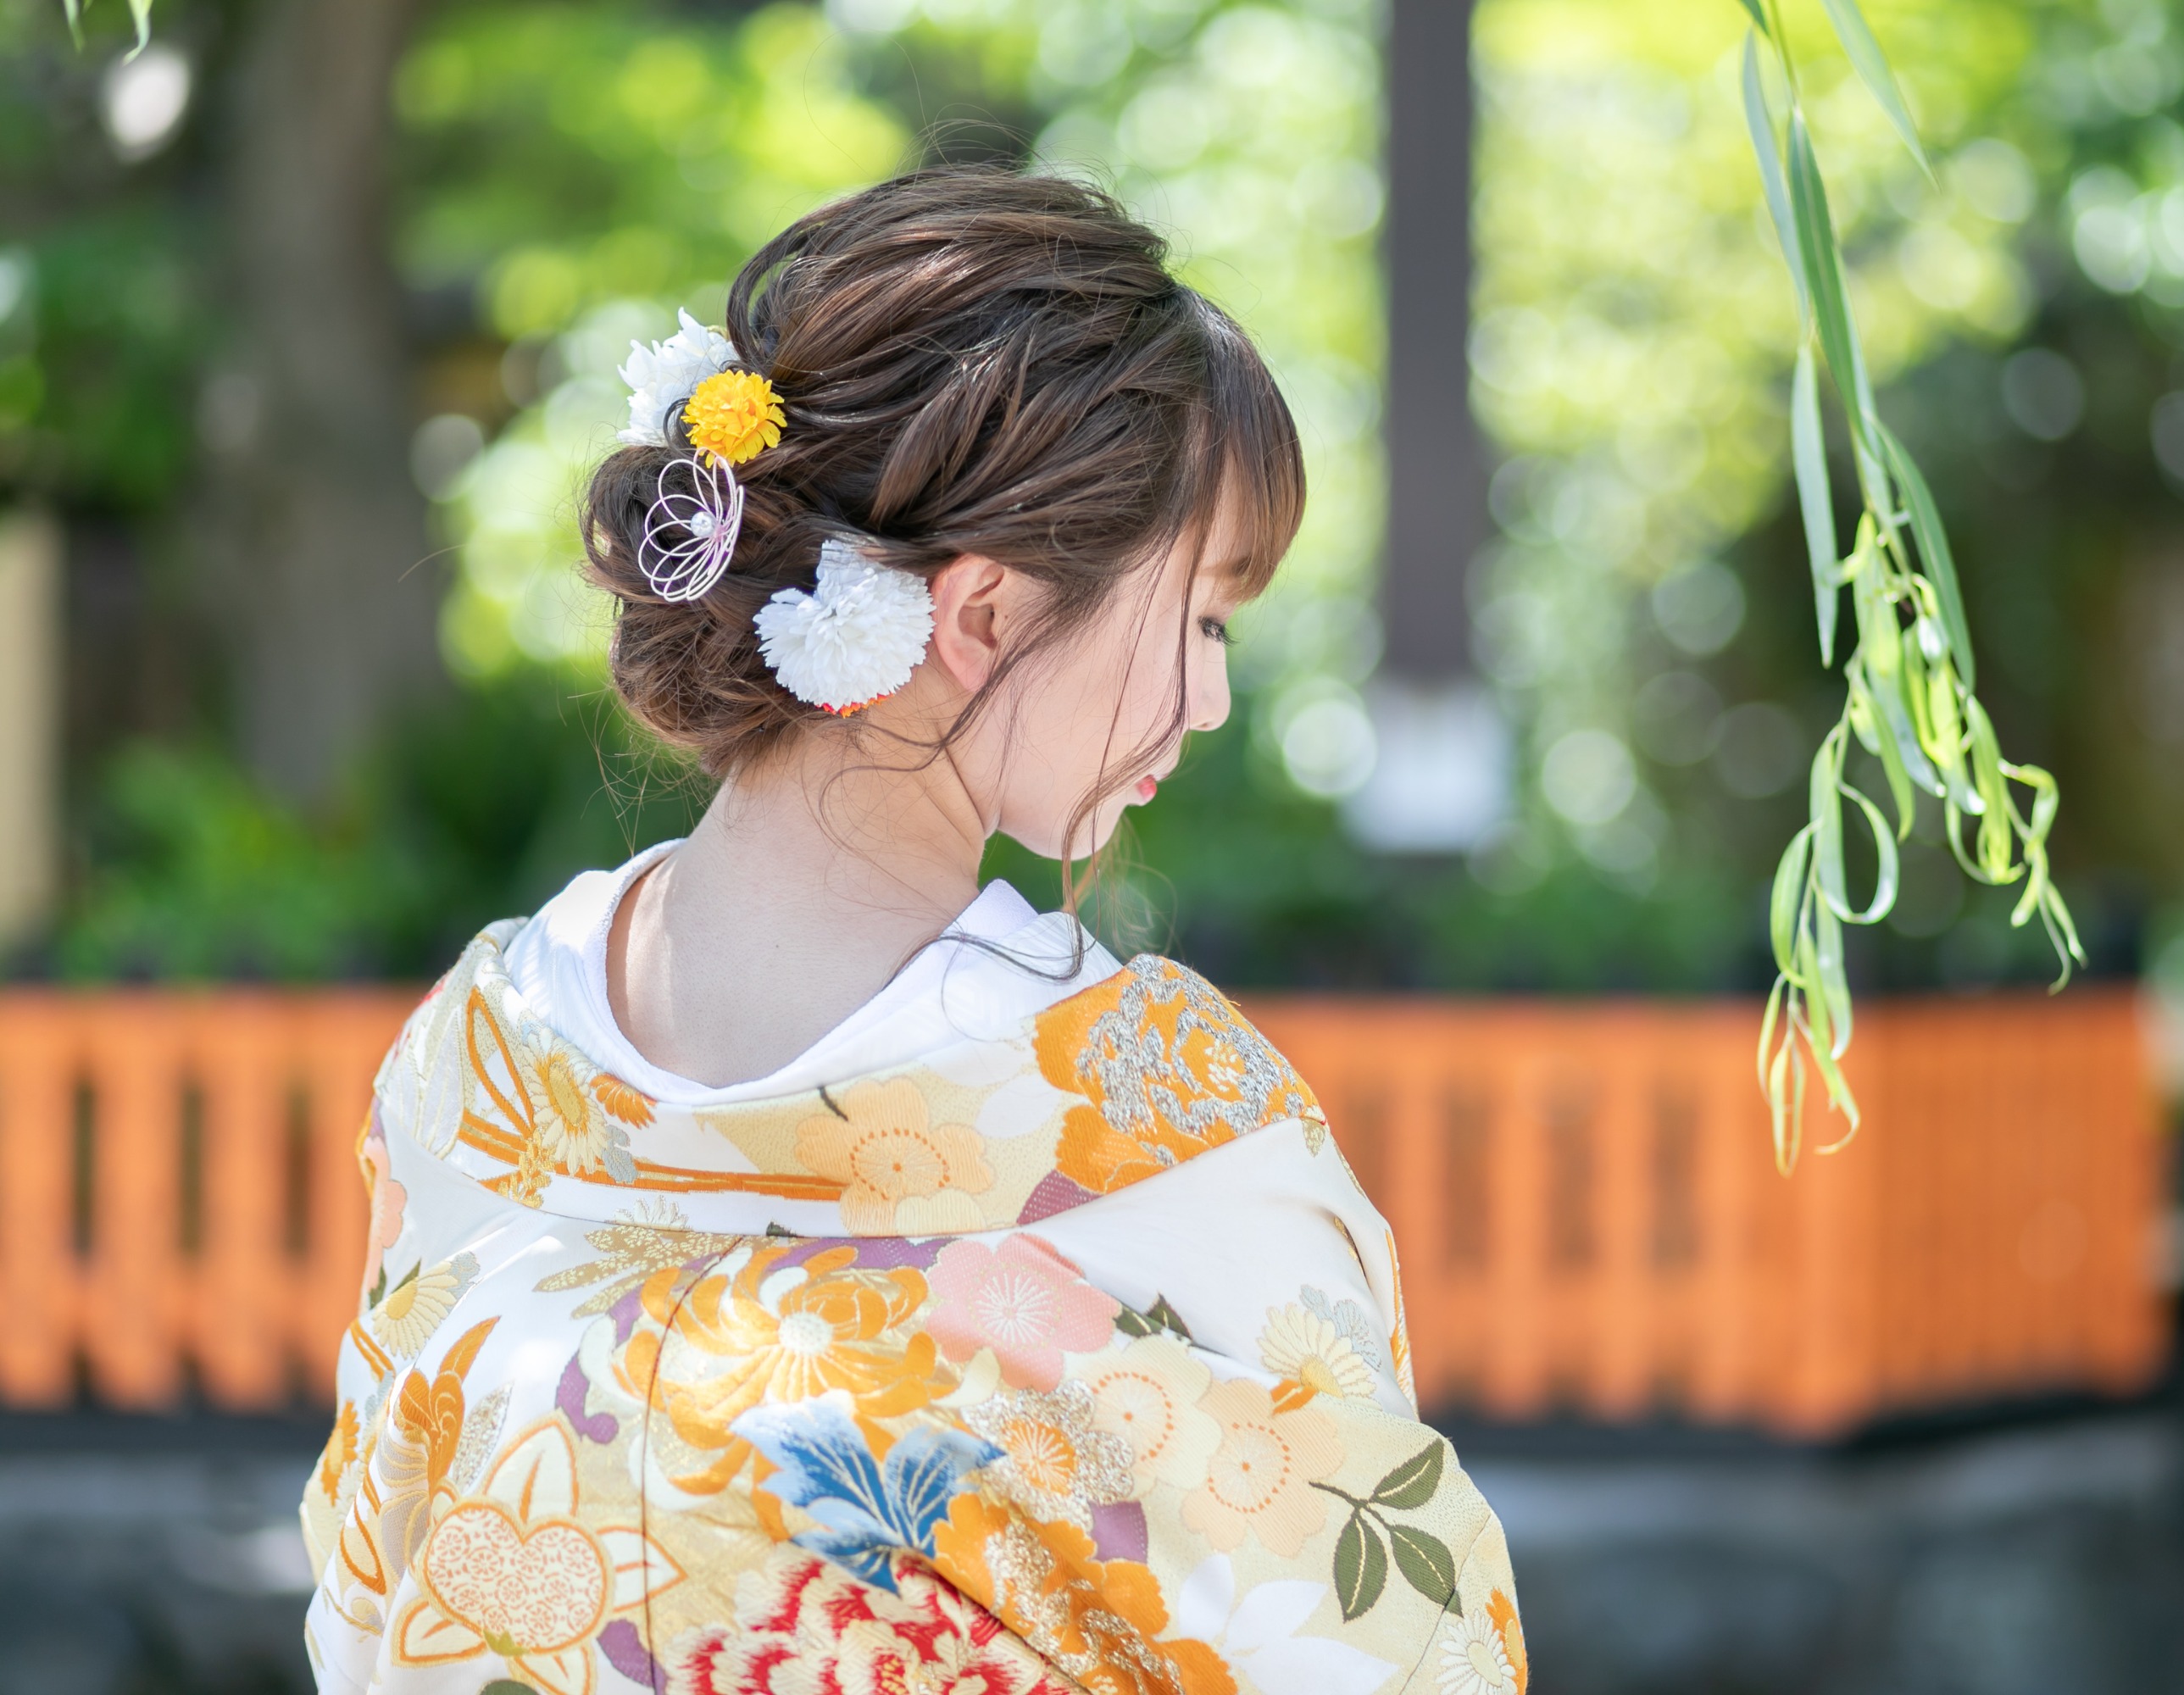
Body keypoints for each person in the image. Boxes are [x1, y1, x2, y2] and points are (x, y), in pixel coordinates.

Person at [299, 168, 1527, 1695]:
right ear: (987, 617)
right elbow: (1385, 1641)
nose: (1209, 697)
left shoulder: (477, 1064)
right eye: (1203, 616)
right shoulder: (1155, 1115)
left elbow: (368, 1596)